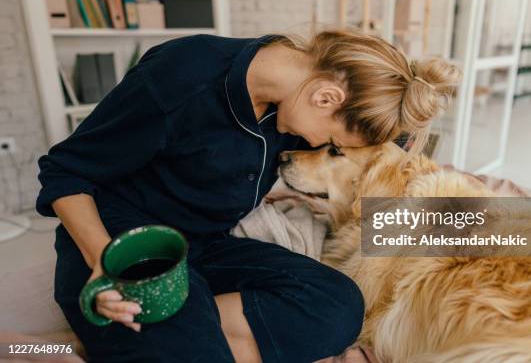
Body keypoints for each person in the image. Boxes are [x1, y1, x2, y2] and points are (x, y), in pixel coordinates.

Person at [36, 29, 460, 362]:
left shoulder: (295, 97)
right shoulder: (181, 74)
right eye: (331, 139)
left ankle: (153, 338)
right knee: (191, 340)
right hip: (128, 245)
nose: (311, 145)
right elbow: (65, 170)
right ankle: (156, 336)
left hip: (205, 244)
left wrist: (515, 225)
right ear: (325, 97)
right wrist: (103, 262)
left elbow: (393, 155)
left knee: (339, 306)